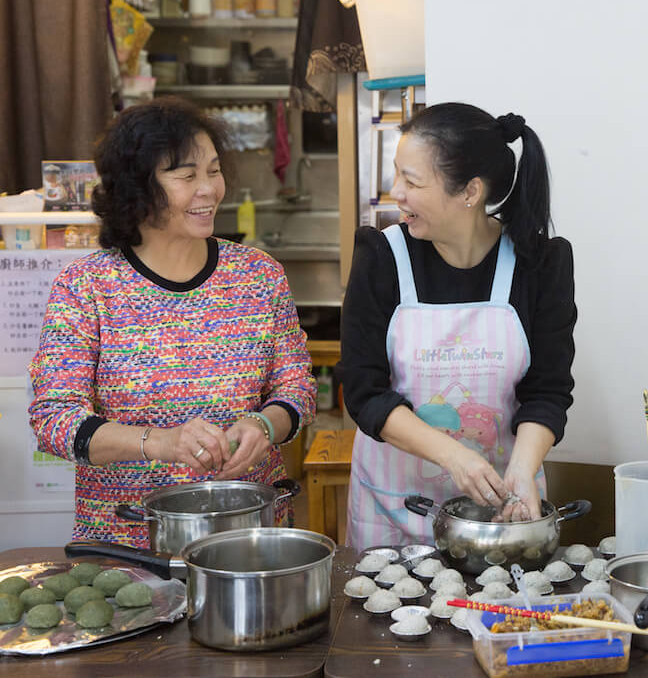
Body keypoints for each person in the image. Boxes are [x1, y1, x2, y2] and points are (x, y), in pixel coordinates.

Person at [28, 97, 316, 547]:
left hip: (249, 537)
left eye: (214, 171)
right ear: (136, 188)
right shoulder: (87, 286)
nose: (209, 190)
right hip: (129, 542)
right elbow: (54, 420)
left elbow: (296, 389)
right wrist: (161, 443)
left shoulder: (259, 274)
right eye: (186, 176)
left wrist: (265, 426)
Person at [340, 102, 576, 550]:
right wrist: (454, 457)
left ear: (470, 192)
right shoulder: (381, 257)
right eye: (397, 176)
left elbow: (547, 391)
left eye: (412, 181)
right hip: (394, 511)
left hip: (502, 513)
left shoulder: (540, 264)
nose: (396, 193)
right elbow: (364, 393)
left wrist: (523, 472)